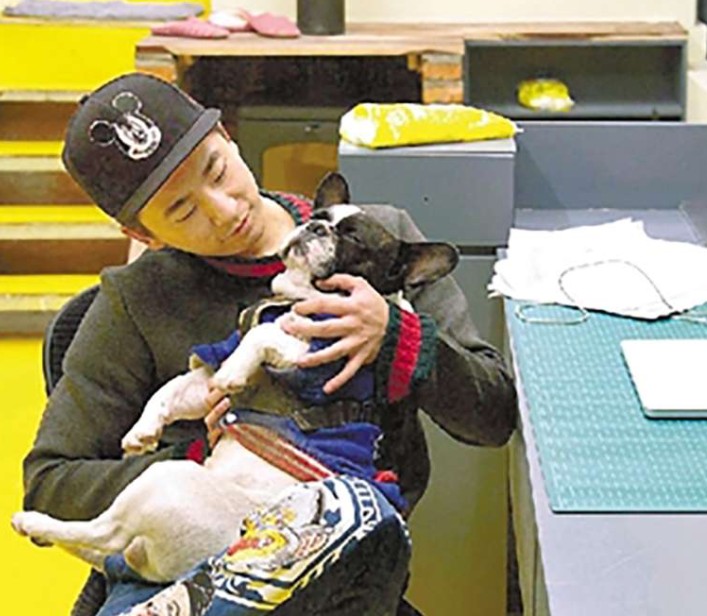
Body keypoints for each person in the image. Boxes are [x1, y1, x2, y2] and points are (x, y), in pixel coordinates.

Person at [21, 72, 517, 615]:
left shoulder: (379, 245)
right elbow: (50, 483)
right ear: (143, 234)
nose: (224, 209)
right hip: (189, 570)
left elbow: (492, 414)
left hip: (339, 574)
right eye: (182, 211)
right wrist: (214, 462)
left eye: (217, 170)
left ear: (229, 138)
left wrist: (398, 338)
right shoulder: (139, 301)